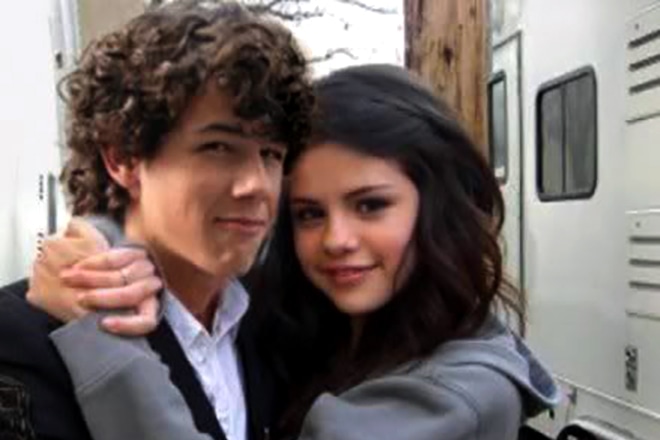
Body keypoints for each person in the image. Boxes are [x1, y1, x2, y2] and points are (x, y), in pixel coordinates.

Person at [32, 64, 560, 440]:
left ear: (437, 207)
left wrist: (99, 318)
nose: (336, 239)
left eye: (371, 205)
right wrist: (108, 246)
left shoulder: (459, 394)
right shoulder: (324, 333)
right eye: (309, 213)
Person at [0, 1, 313, 439]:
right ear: (122, 158)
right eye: (218, 148)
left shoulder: (277, 329)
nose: (256, 185)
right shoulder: (24, 337)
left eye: (271, 154)